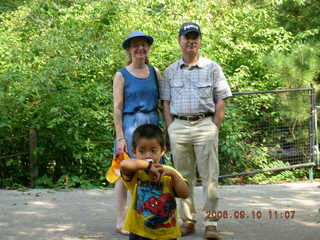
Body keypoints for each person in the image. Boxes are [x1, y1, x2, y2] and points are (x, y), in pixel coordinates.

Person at [160, 22, 232, 239]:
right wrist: (171, 127)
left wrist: (214, 126)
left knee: (210, 176)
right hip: (179, 127)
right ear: (179, 40)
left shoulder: (212, 68)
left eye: (195, 37)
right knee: (183, 178)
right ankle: (188, 221)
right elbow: (165, 103)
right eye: (186, 37)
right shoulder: (170, 71)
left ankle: (211, 223)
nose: (191, 41)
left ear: (200, 41)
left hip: (205, 125)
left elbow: (221, 100)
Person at [113, 31, 162, 235]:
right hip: (130, 125)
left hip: (151, 125)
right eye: (136, 45)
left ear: (148, 48)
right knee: (124, 174)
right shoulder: (121, 75)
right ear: (129, 50)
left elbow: (162, 102)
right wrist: (121, 137)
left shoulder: (155, 72)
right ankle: (122, 220)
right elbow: (117, 107)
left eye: (143, 45)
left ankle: (147, 215)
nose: (140, 48)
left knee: (152, 171)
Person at [120, 124, 189, 240]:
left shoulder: (170, 172)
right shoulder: (137, 173)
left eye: (153, 150)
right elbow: (124, 164)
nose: (147, 155)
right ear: (134, 151)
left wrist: (173, 175)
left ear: (162, 151)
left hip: (167, 234)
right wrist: (148, 166)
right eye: (142, 151)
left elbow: (185, 194)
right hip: (139, 233)